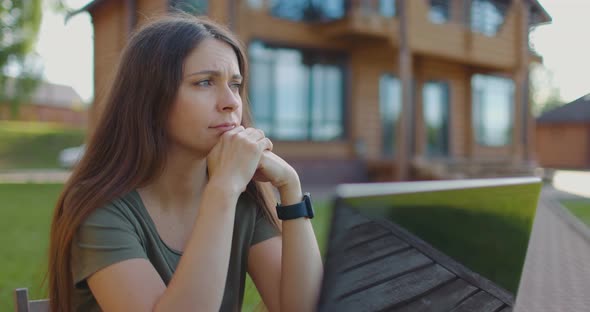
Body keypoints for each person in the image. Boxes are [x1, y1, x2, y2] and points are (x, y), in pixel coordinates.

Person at [48, 14, 323, 312]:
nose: (231, 101)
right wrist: (222, 191)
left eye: (235, 84)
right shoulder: (100, 211)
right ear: (151, 99)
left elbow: (304, 308)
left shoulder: (243, 200)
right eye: (204, 82)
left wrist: (290, 188)